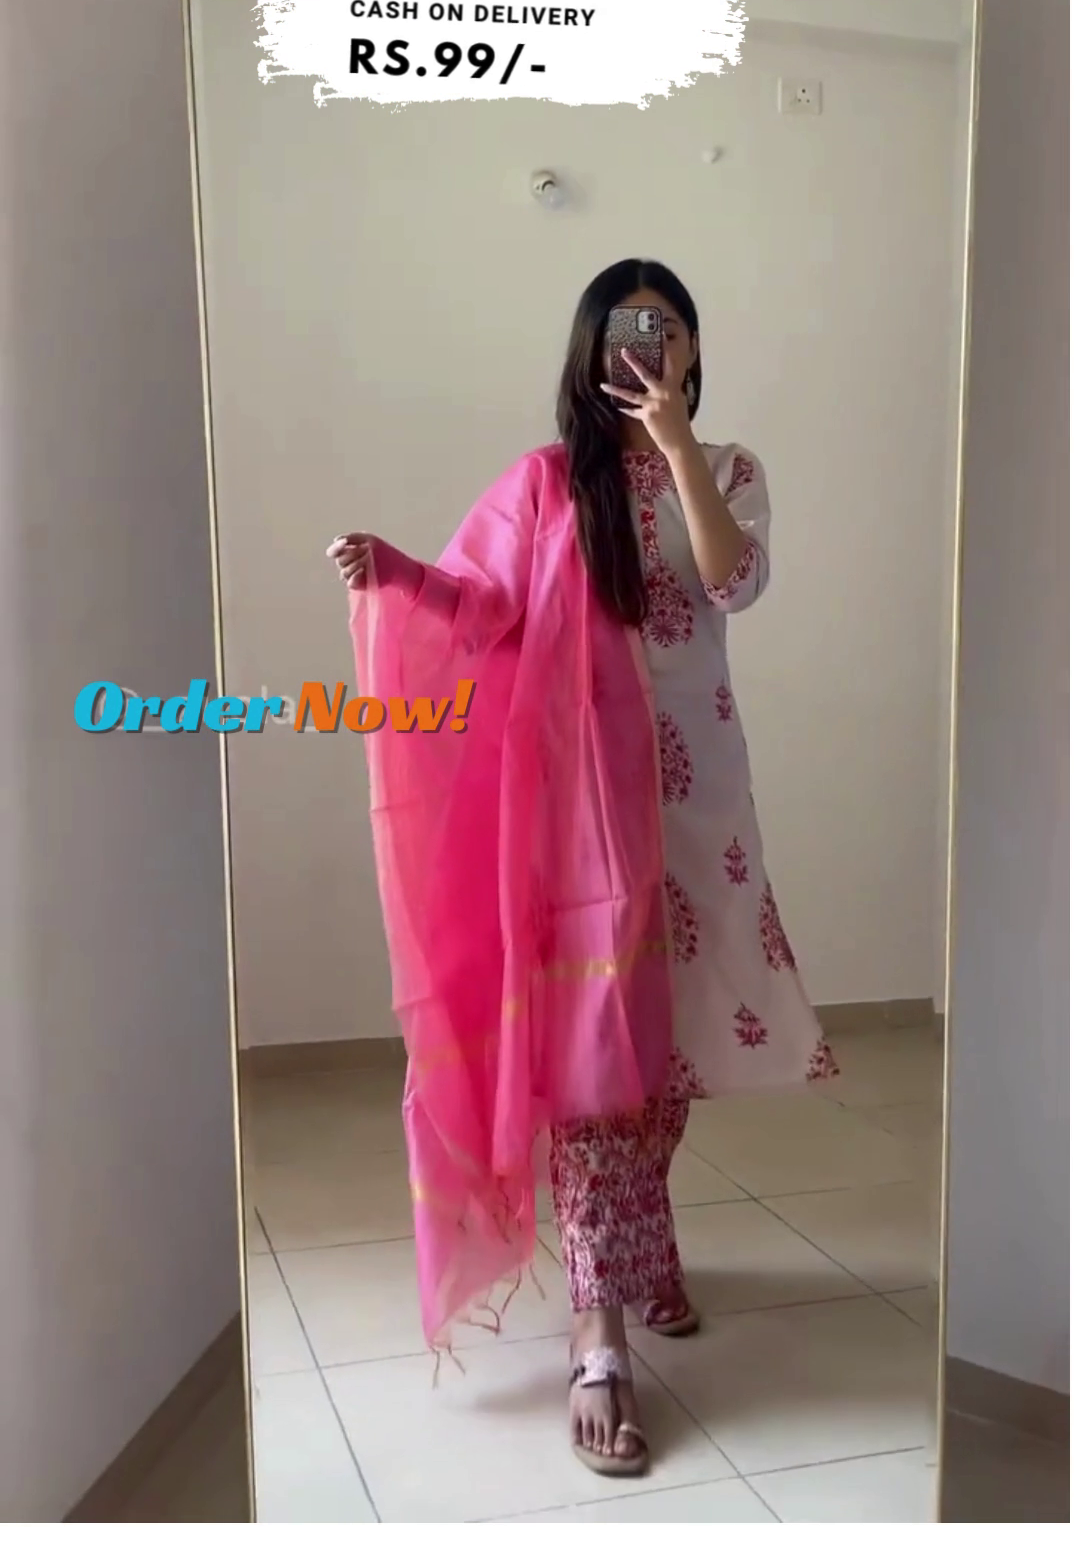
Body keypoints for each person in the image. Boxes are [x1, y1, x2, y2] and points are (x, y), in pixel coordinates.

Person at [327, 258, 835, 1479]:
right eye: (623, 329)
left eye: (666, 329)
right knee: (599, 1055)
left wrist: (677, 442)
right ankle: (598, 1337)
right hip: (584, 816)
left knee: (672, 1050)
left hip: (700, 803)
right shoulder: (547, 483)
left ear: (693, 348)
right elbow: (482, 609)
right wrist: (397, 574)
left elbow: (735, 582)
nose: (645, 346)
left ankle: (639, 1244)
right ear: (589, 349)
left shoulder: (732, 469)